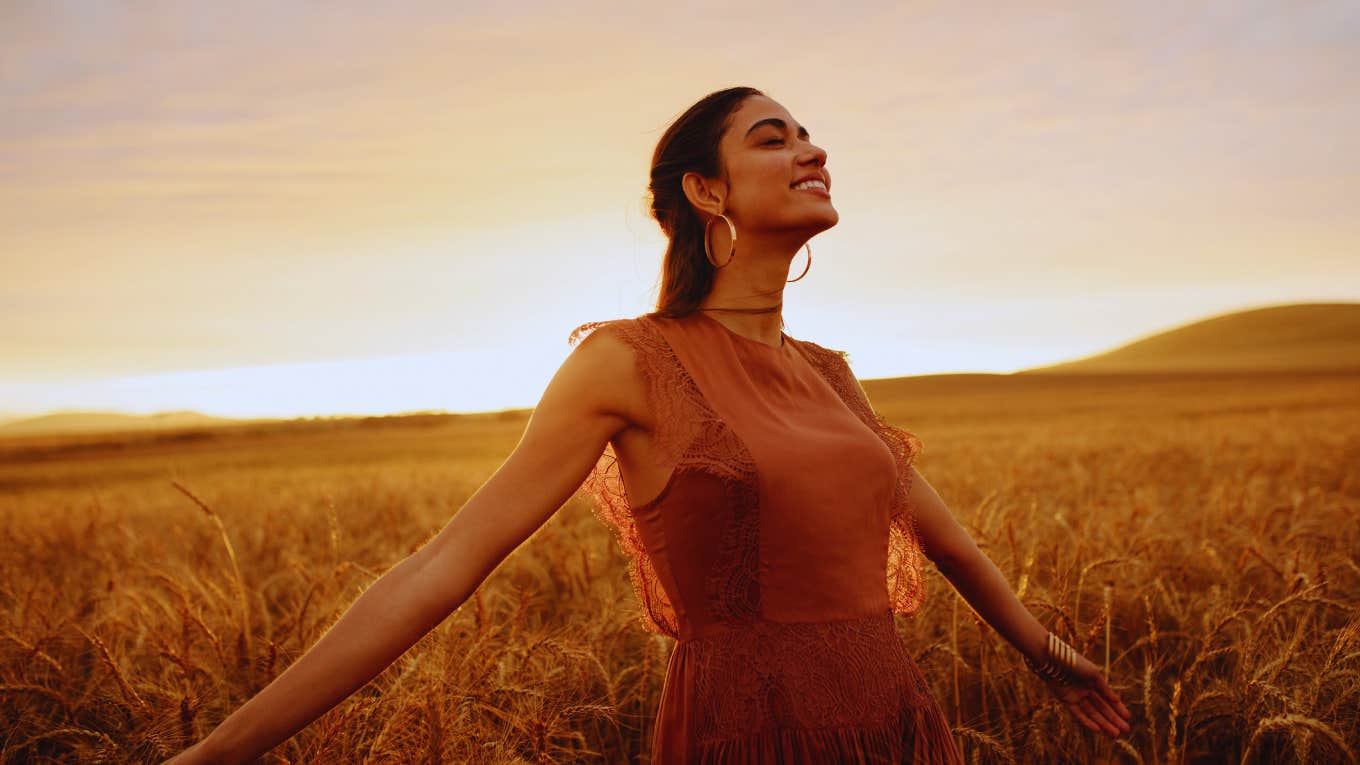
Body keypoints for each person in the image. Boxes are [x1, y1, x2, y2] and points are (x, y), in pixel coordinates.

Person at [165, 86, 1132, 765]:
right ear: (706, 193)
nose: (811, 148)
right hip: (752, 733)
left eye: (809, 132)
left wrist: (1049, 657)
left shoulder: (832, 376)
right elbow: (442, 566)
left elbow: (946, 538)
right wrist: (220, 751)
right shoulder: (628, 361)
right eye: (771, 136)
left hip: (893, 723)